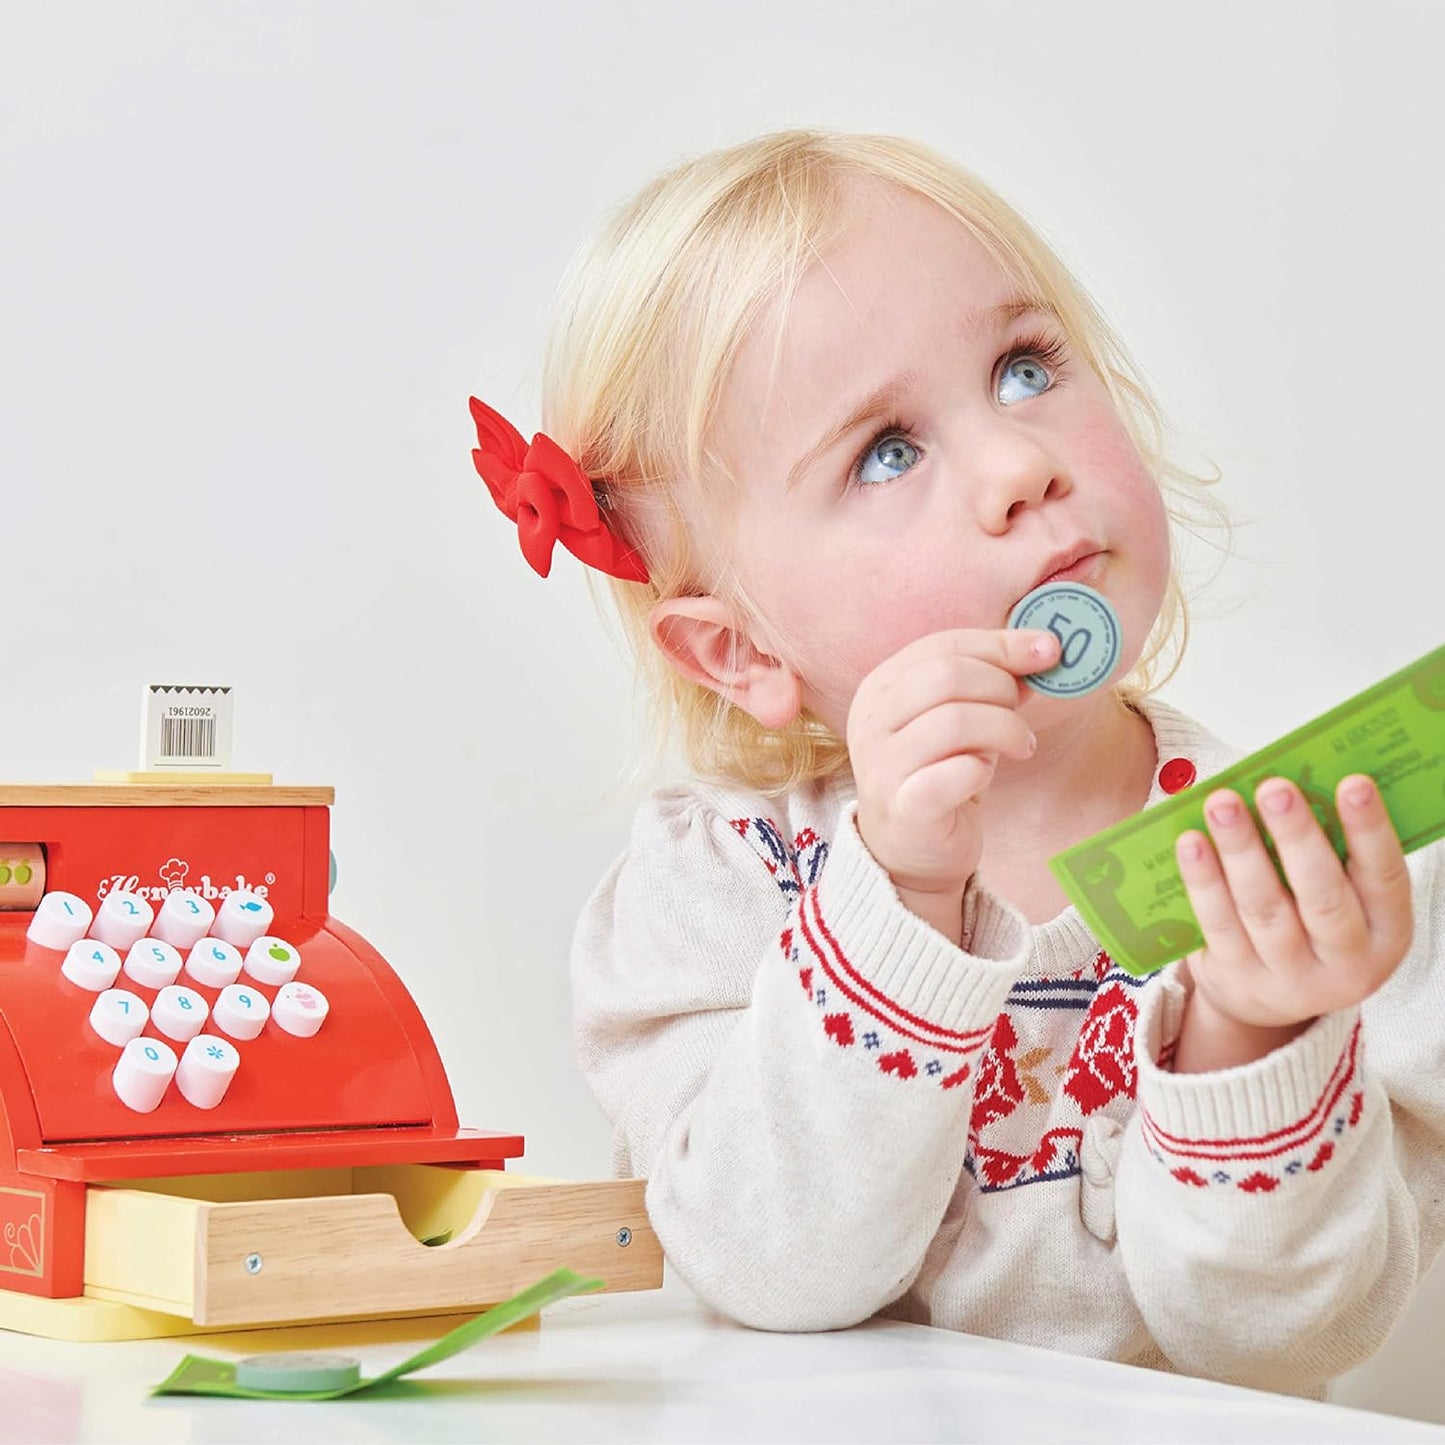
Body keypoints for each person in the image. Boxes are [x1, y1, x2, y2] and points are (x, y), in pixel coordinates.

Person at [468, 129, 1442, 1397]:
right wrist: (898, 894)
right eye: (885, 449)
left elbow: (1287, 1341)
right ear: (739, 651)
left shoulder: (1303, 859)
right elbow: (771, 1269)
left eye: (1025, 367)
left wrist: (1252, 1031)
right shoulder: (714, 882)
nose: (1016, 464)